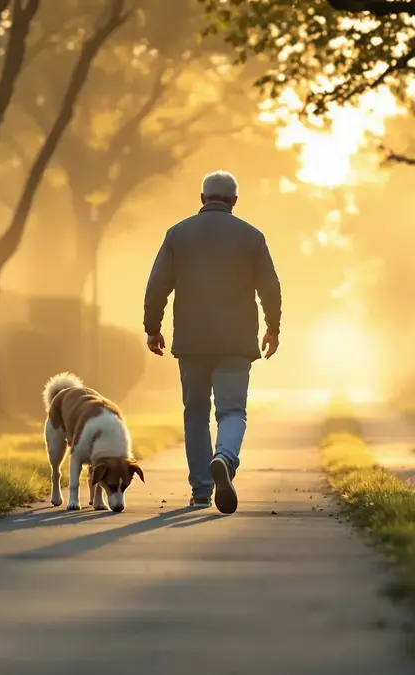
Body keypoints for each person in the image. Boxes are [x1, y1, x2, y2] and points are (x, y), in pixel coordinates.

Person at [142, 170, 282, 515]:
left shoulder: (178, 234)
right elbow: (270, 288)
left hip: (192, 342)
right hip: (235, 341)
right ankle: (225, 457)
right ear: (235, 201)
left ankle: (202, 489)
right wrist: (272, 328)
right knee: (232, 410)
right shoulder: (251, 236)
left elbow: (157, 285)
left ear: (202, 198)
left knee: (195, 414)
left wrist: (152, 327)